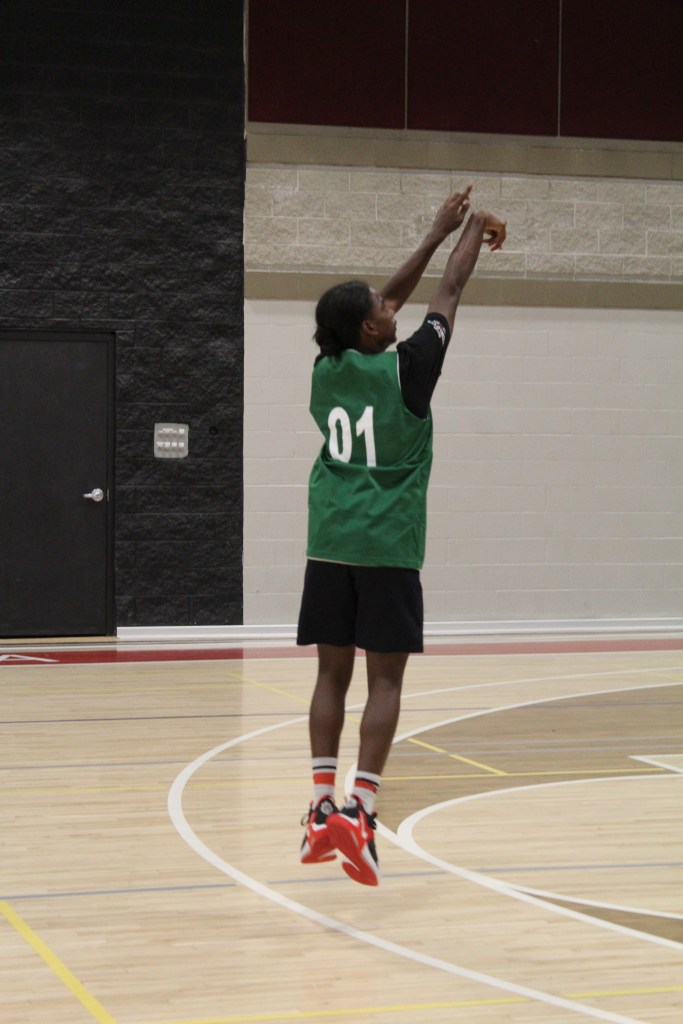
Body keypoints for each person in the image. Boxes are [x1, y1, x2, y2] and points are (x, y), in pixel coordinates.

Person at [297, 185, 506, 885]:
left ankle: (319, 807)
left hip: (329, 541)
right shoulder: (408, 371)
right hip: (386, 546)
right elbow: (450, 289)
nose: (392, 308)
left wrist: (431, 233)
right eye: (382, 310)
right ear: (370, 328)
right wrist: (470, 226)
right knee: (384, 680)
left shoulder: (327, 369)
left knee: (330, 674)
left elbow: (381, 302)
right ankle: (360, 811)